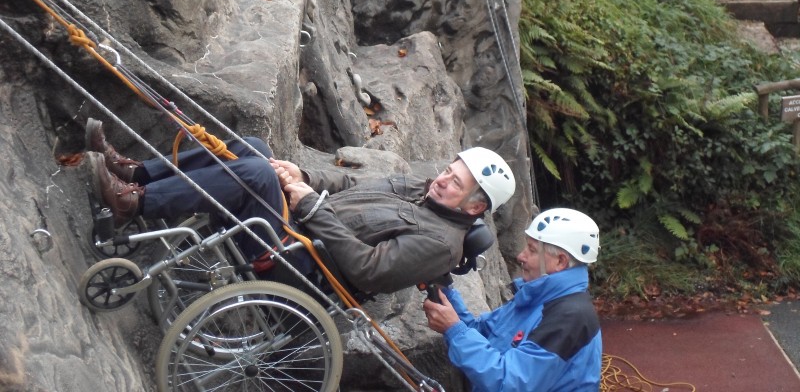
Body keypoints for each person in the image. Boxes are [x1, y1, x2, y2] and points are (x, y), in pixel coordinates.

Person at [83, 118, 516, 294]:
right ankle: (139, 174)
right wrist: (304, 176)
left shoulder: (441, 244)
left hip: (302, 266)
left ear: (475, 207)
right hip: (299, 230)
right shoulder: (422, 190)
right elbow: (350, 182)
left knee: (255, 174)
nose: (441, 179)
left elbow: (369, 271)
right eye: (448, 170)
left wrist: (309, 206)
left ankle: (132, 205)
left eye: (453, 182)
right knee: (253, 149)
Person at [422, 207, 602, 392]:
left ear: (560, 261)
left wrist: (454, 330)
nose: (520, 256)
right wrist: (445, 293)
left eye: (531, 250)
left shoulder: (570, 317)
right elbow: (482, 334)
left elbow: (510, 383)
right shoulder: (536, 298)